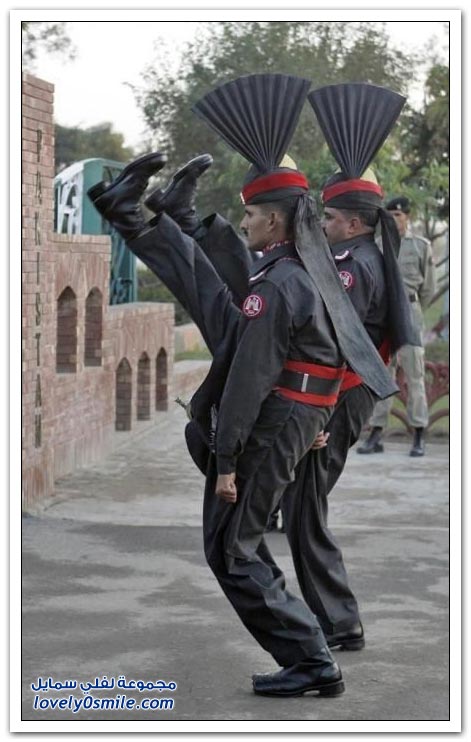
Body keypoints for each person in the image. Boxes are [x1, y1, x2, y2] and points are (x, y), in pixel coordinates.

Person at [88, 74, 397, 697]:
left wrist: (227, 459)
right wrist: (317, 421)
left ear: (275, 219)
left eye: (250, 213)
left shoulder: (285, 283)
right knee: (218, 298)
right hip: (295, 415)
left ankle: (311, 658)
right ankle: (142, 214)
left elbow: (252, 380)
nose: (244, 219)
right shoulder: (302, 271)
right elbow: (330, 347)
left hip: (276, 419)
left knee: (232, 549)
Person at [357, 196, 437, 457]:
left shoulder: (421, 246)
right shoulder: (379, 246)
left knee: (415, 375)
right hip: (384, 315)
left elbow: (429, 289)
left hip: (410, 313)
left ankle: (419, 433)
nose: (394, 220)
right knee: (383, 374)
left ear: (407, 217)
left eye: (398, 215)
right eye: (390, 216)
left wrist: (412, 309)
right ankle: (376, 432)